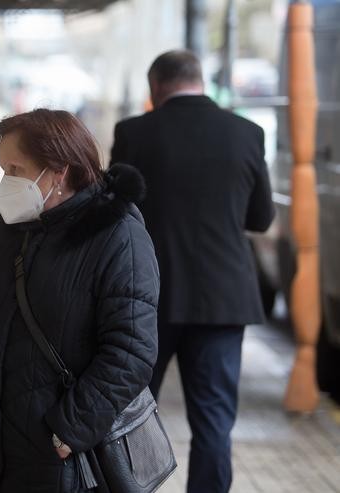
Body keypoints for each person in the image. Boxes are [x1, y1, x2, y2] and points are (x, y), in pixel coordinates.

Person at [0, 108, 159, 492]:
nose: (5, 182)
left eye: (15, 170)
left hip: (59, 460)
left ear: (58, 171)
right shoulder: (2, 234)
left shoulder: (117, 238)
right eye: (2, 169)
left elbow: (131, 349)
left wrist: (70, 430)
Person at [110, 50, 275, 493]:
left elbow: (114, 216)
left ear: (155, 88)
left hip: (146, 300)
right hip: (222, 301)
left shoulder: (133, 133)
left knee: (128, 416)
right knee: (215, 423)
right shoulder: (247, 133)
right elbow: (260, 219)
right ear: (199, 80)